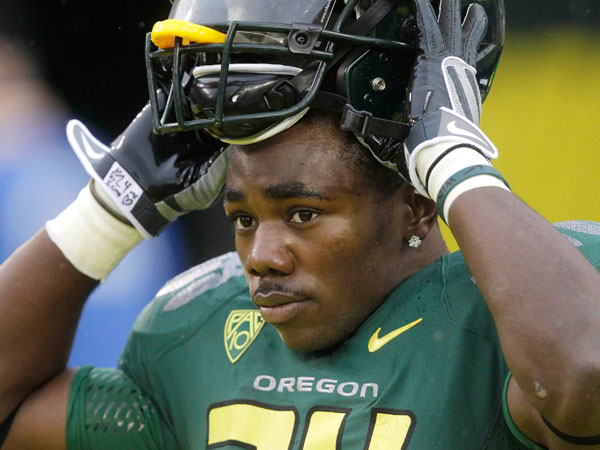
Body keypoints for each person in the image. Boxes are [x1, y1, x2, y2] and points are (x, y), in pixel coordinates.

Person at [1, 0, 600, 449]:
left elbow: (584, 376)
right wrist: (111, 207)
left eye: (303, 214)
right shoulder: (198, 333)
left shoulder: (528, 314)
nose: (261, 256)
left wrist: (456, 165)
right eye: (241, 218)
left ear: (418, 201)